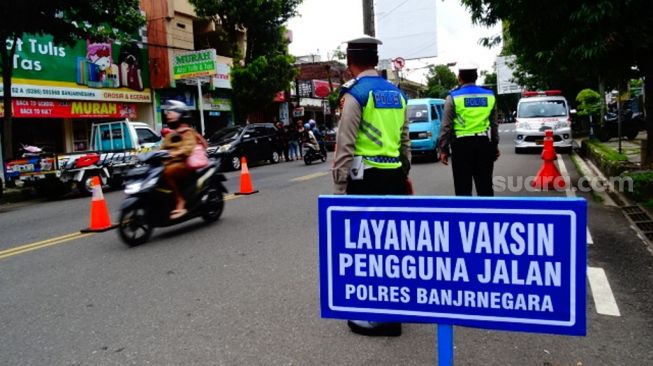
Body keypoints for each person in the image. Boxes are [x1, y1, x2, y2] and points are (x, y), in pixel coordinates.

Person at [331, 35, 411, 337]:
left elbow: (345, 147)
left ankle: (382, 319)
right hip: (393, 176)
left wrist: (338, 191)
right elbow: (404, 143)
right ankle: (392, 309)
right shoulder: (397, 94)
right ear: (375, 60)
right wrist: (405, 175)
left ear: (351, 62)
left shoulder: (355, 94)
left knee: (368, 247)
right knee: (391, 244)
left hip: (365, 180)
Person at [438, 62, 499, 196]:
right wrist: (494, 146)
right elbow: (494, 124)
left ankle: (466, 215)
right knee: (485, 187)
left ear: (459, 77)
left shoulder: (453, 97)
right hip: (484, 145)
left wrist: (443, 149)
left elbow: (446, 126)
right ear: (476, 76)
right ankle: (487, 215)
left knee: (463, 188)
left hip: (461, 147)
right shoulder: (489, 95)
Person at [160, 100, 208, 219]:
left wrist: (175, 153)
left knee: (167, 172)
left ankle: (180, 201)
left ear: (181, 114)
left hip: (184, 164)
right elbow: (161, 148)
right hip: (171, 163)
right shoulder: (171, 134)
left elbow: (188, 148)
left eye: (172, 112)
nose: (168, 114)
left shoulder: (187, 132)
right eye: (167, 112)